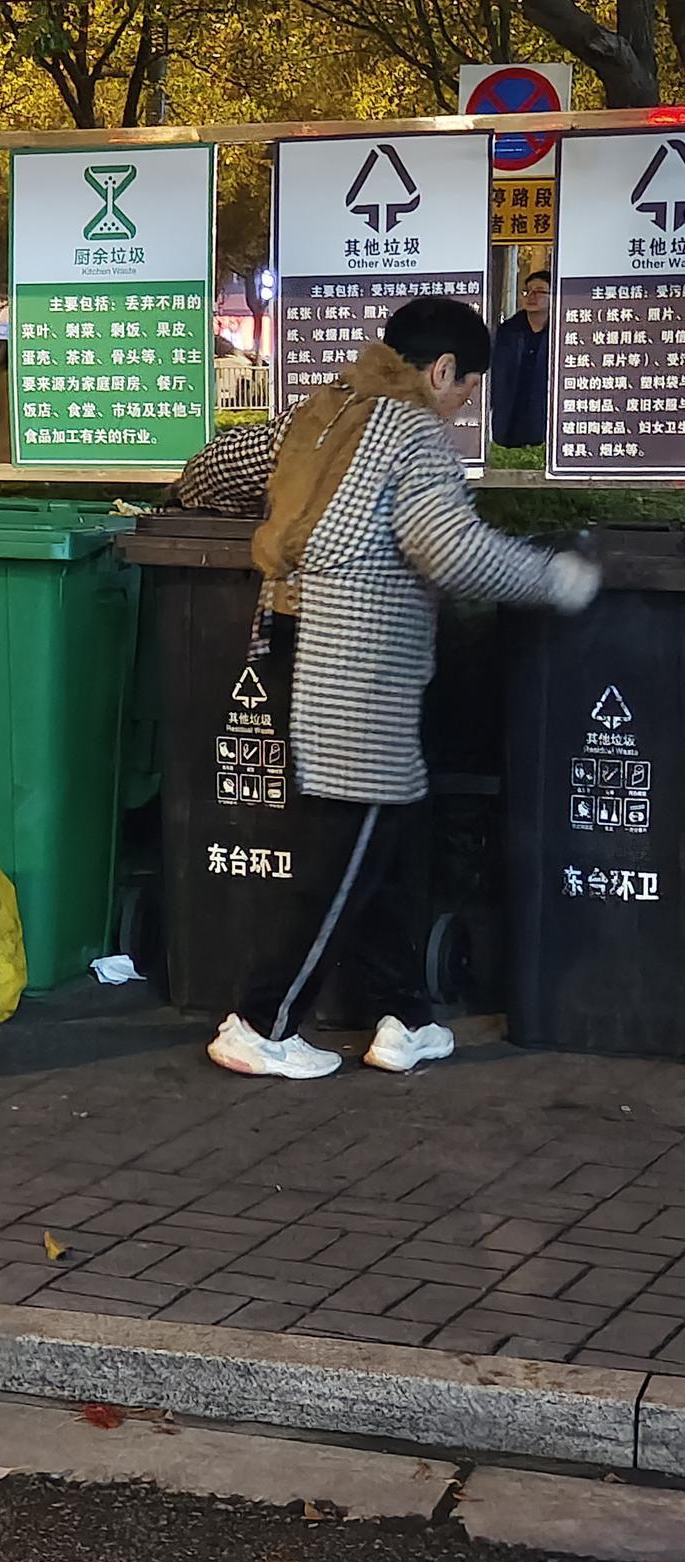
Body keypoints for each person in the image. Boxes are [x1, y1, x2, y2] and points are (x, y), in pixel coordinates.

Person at [174, 296, 598, 1082]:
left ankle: (403, 1016)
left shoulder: (323, 415)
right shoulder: (412, 432)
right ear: (442, 371)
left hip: (290, 641)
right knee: (349, 840)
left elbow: (206, 473)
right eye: (469, 388)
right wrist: (557, 579)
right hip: (357, 664)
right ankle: (262, 1021)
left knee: (387, 834)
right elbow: (451, 552)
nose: (465, 405)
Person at [491, 270, 551, 447]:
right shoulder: (508, 330)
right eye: (527, 291)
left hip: (545, 416)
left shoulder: (562, 331)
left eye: (539, 291)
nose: (531, 296)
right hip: (511, 414)